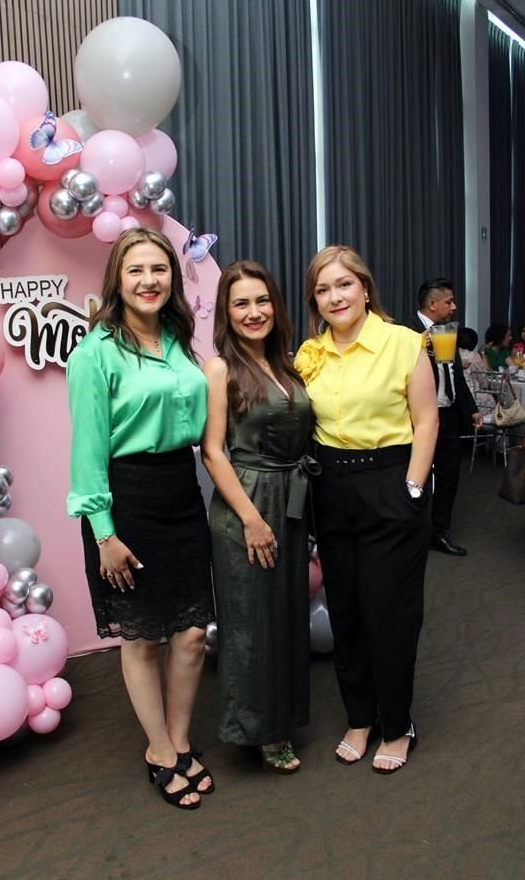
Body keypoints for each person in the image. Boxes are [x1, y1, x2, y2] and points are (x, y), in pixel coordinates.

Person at [66, 227, 215, 811]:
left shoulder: (180, 339)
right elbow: (86, 454)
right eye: (136, 270)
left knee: (193, 633)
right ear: (117, 280)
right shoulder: (95, 351)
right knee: (143, 637)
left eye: (159, 269)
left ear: (172, 279)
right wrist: (104, 532)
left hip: (182, 494)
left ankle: (179, 739)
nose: (150, 280)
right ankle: (160, 749)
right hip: (126, 502)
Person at [295, 246, 438, 774]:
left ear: (365, 287)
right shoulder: (310, 353)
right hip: (330, 488)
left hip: (391, 482)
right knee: (348, 614)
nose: (335, 297)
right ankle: (360, 717)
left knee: (389, 614)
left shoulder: (403, 343)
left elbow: (426, 423)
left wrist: (412, 490)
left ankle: (398, 724)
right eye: (323, 290)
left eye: (343, 285)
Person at [201, 261, 314, 774]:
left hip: (289, 499)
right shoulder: (220, 367)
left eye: (262, 300)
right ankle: (259, 730)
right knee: (251, 621)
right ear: (226, 311)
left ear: (276, 305)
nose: (254, 312)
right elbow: (214, 452)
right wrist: (250, 518)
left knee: (285, 614)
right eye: (241, 303)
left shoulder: (286, 363)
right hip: (246, 501)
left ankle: (282, 716)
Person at [411, 279, 482, 557]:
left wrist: (471, 409)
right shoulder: (406, 332)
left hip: (449, 415)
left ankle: (439, 533)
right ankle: (413, 533)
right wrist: (418, 344)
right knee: (416, 478)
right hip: (418, 418)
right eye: (449, 301)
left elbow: (455, 375)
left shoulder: (447, 331)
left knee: (449, 476)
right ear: (433, 304)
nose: (454, 307)